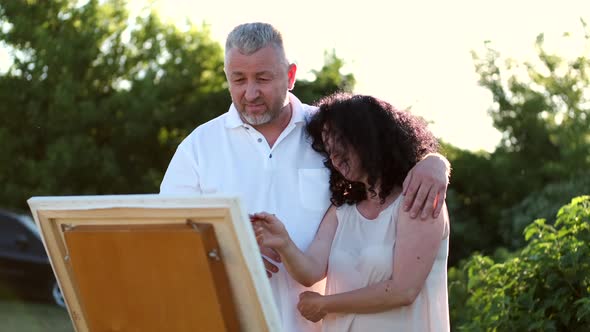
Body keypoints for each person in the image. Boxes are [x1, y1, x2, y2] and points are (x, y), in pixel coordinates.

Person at [159, 22, 450, 332]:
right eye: (239, 79)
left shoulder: (329, 131)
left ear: (290, 75)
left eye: (263, 78)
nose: (251, 92)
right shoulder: (198, 147)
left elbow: (391, 149)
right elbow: (166, 237)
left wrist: (434, 161)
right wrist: (228, 250)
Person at [252, 92, 450, 331]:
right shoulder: (342, 210)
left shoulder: (419, 197)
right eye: (327, 143)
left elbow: (403, 290)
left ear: (369, 137)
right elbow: (311, 270)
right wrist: (283, 242)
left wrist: (325, 304)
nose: (333, 152)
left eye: (339, 138)